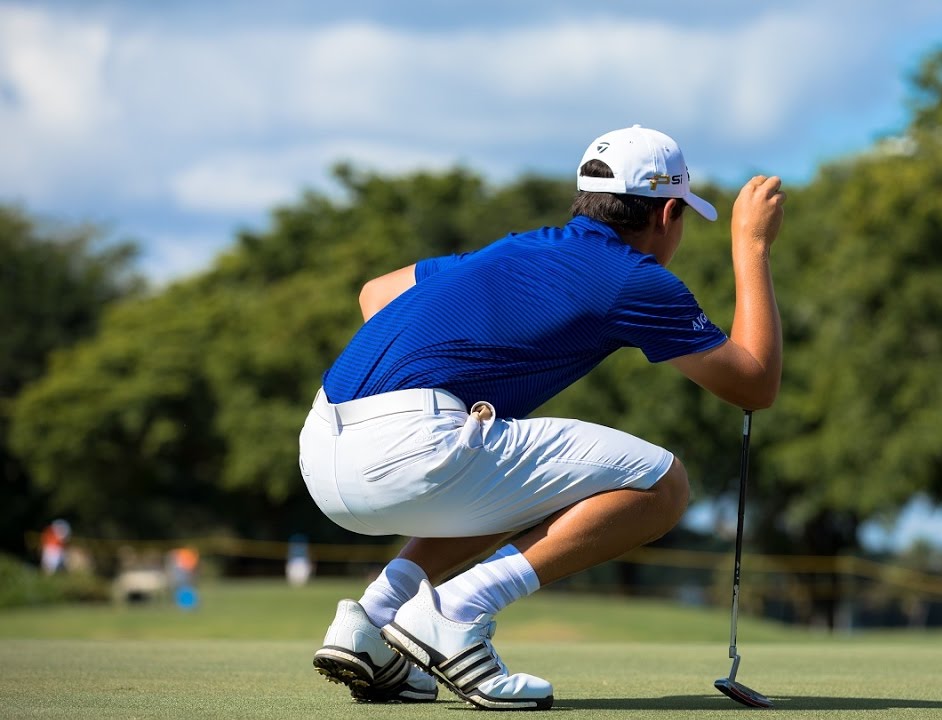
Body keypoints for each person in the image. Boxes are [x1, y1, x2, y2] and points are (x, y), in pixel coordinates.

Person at [300, 125, 785, 709]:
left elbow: (377, 294)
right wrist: (750, 244)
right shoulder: (635, 279)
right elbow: (754, 384)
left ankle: (372, 623)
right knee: (662, 483)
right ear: (669, 214)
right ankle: (456, 611)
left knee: (519, 481)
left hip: (322, 444)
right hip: (406, 448)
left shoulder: (514, 248)